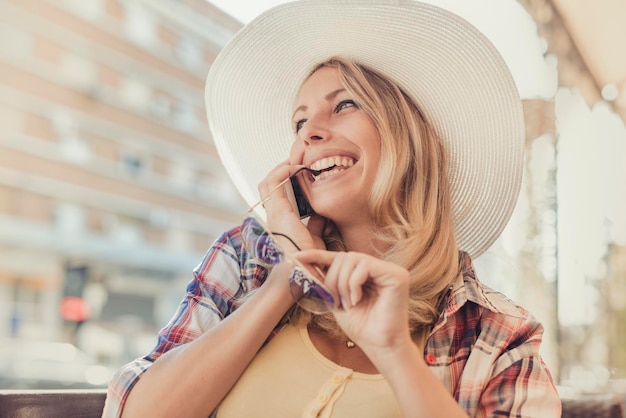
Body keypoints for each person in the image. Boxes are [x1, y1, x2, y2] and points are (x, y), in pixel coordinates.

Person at [103, 1, 561, 417]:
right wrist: (290, 277)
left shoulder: (498, 334)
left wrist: (394, 353)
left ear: (413, 140)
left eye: (344, 105)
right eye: (299, 121)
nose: (309, 134)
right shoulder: (246, 260)